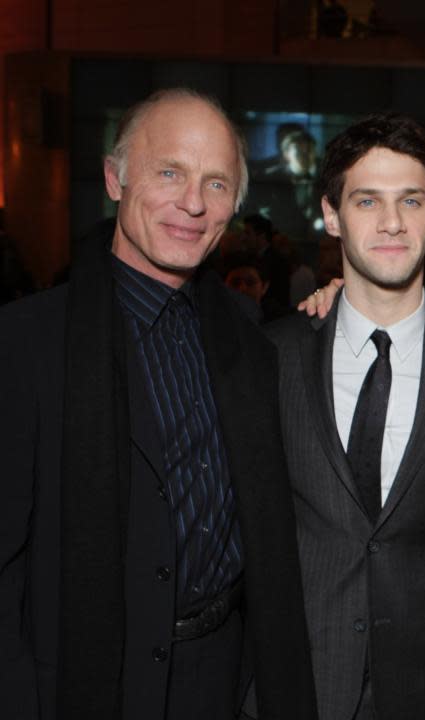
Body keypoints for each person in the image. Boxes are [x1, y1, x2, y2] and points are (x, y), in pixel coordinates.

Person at [0, 88, 315, 719]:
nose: (194, 203)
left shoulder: (250, 339)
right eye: (169, 172)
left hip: (219, 679)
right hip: (81, 683)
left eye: (217, 184)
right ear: (115, 178)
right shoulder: (27, 342)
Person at [267, 114, 425, 720]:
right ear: (331, 215)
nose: (391, 222)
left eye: (411, 200)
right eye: (366, 200)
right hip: (292, 673)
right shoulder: (272, 355)